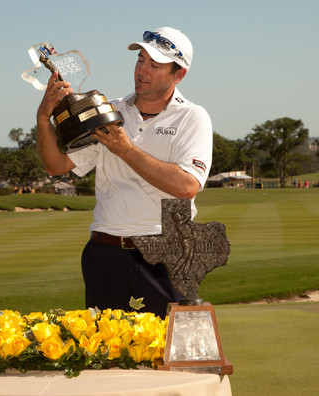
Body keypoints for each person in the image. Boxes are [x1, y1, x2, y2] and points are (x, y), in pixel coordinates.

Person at [36, 27, 213, 318]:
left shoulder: (192, 117)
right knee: (104, 354)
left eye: (154, 65)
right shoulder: (109, 109)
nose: (142, 70)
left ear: (178, 75)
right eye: (140, 60)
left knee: (162, 356)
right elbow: (56, 166)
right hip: (104, 254)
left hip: (164, 256)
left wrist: (125, 149)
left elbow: (186, 186)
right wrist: (44, 119)